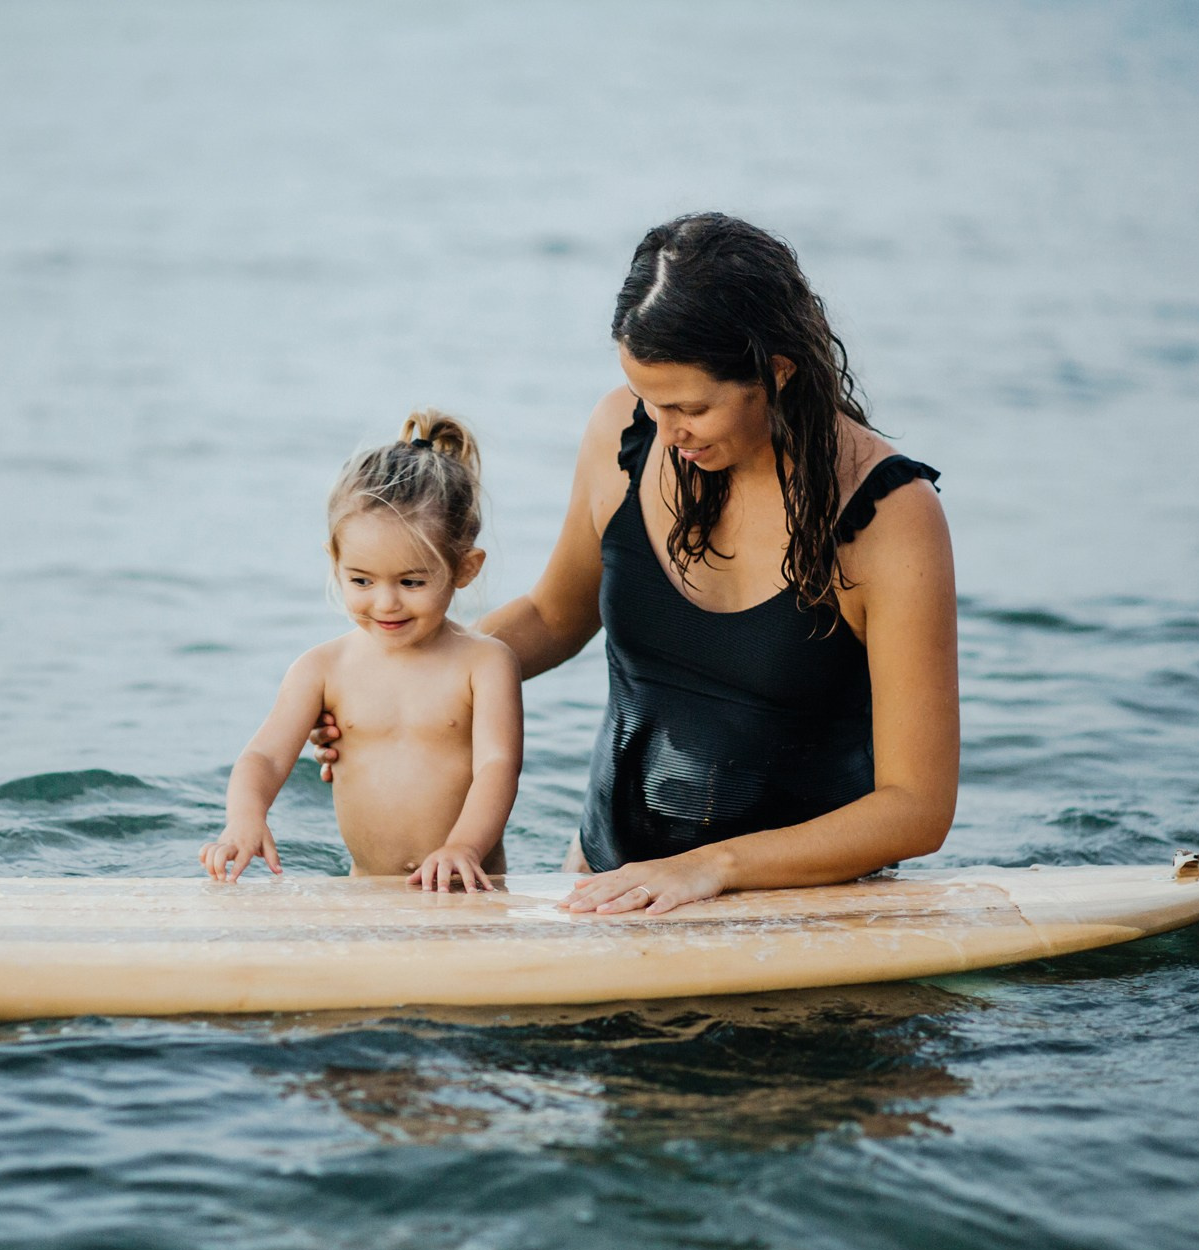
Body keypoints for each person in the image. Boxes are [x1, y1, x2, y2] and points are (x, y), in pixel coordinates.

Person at [311, 214, 959, 915]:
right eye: (649, 398)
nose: (665, 429)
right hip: (605, 884)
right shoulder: (625, 431)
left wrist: (712, 867)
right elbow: (554, 614)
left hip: (806, 914)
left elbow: (917, 806)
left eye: (690, 406)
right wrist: (405, 685)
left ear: (775, 372)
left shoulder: (890, 516)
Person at [200, 411, 524, 891]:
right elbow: (264, 757)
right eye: (361, 580)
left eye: (412, 581)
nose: (386, 602)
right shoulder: (322, 669)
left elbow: (499, 766)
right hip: (365, 889)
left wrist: (463, 847)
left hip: (467, 886)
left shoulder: (486, 664)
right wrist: (245, 818)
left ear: (465, 568)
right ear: (336, 565)